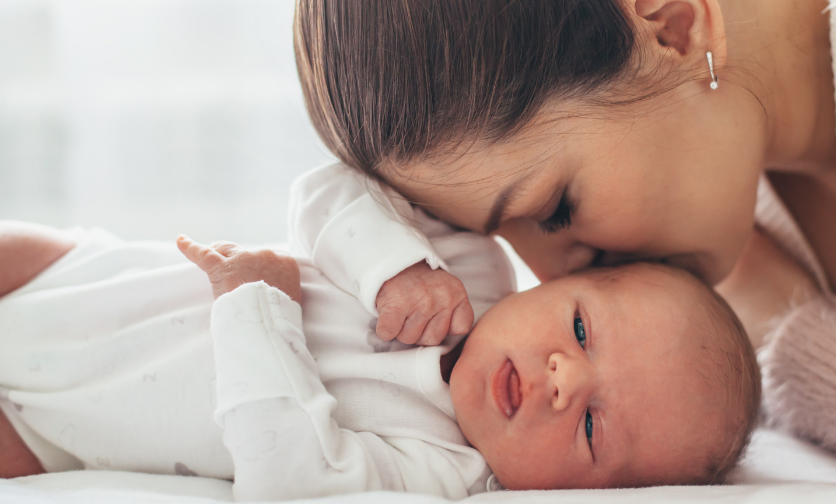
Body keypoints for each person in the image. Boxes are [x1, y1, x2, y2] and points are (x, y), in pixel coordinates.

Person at [293, 0, 836, 481]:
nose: (549, 276)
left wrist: (786, 334)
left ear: (674, 24)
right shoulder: (726, 230)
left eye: (555, 209)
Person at [0, 163, 760, 499]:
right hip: (81, 281)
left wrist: (256, 307)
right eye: (584, 330)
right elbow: (328, 188)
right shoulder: (466, 262)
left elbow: (291, 478)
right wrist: (396, 269)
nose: (564, 380)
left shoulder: (438, 472)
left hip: (54, 434)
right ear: (557, 282)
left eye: (594, 428)